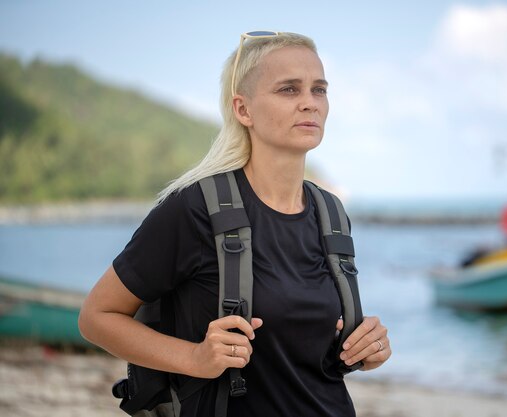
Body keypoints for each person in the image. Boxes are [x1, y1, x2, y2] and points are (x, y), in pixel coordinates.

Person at [78, 31, 391, 417]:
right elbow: (97, 317)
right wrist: (195, 357)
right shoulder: (194, 208)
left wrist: (363, 349)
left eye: (319, 90)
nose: (310, 103)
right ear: (243, 110)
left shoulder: (331, 212)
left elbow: (308, 354)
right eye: (289, 90)